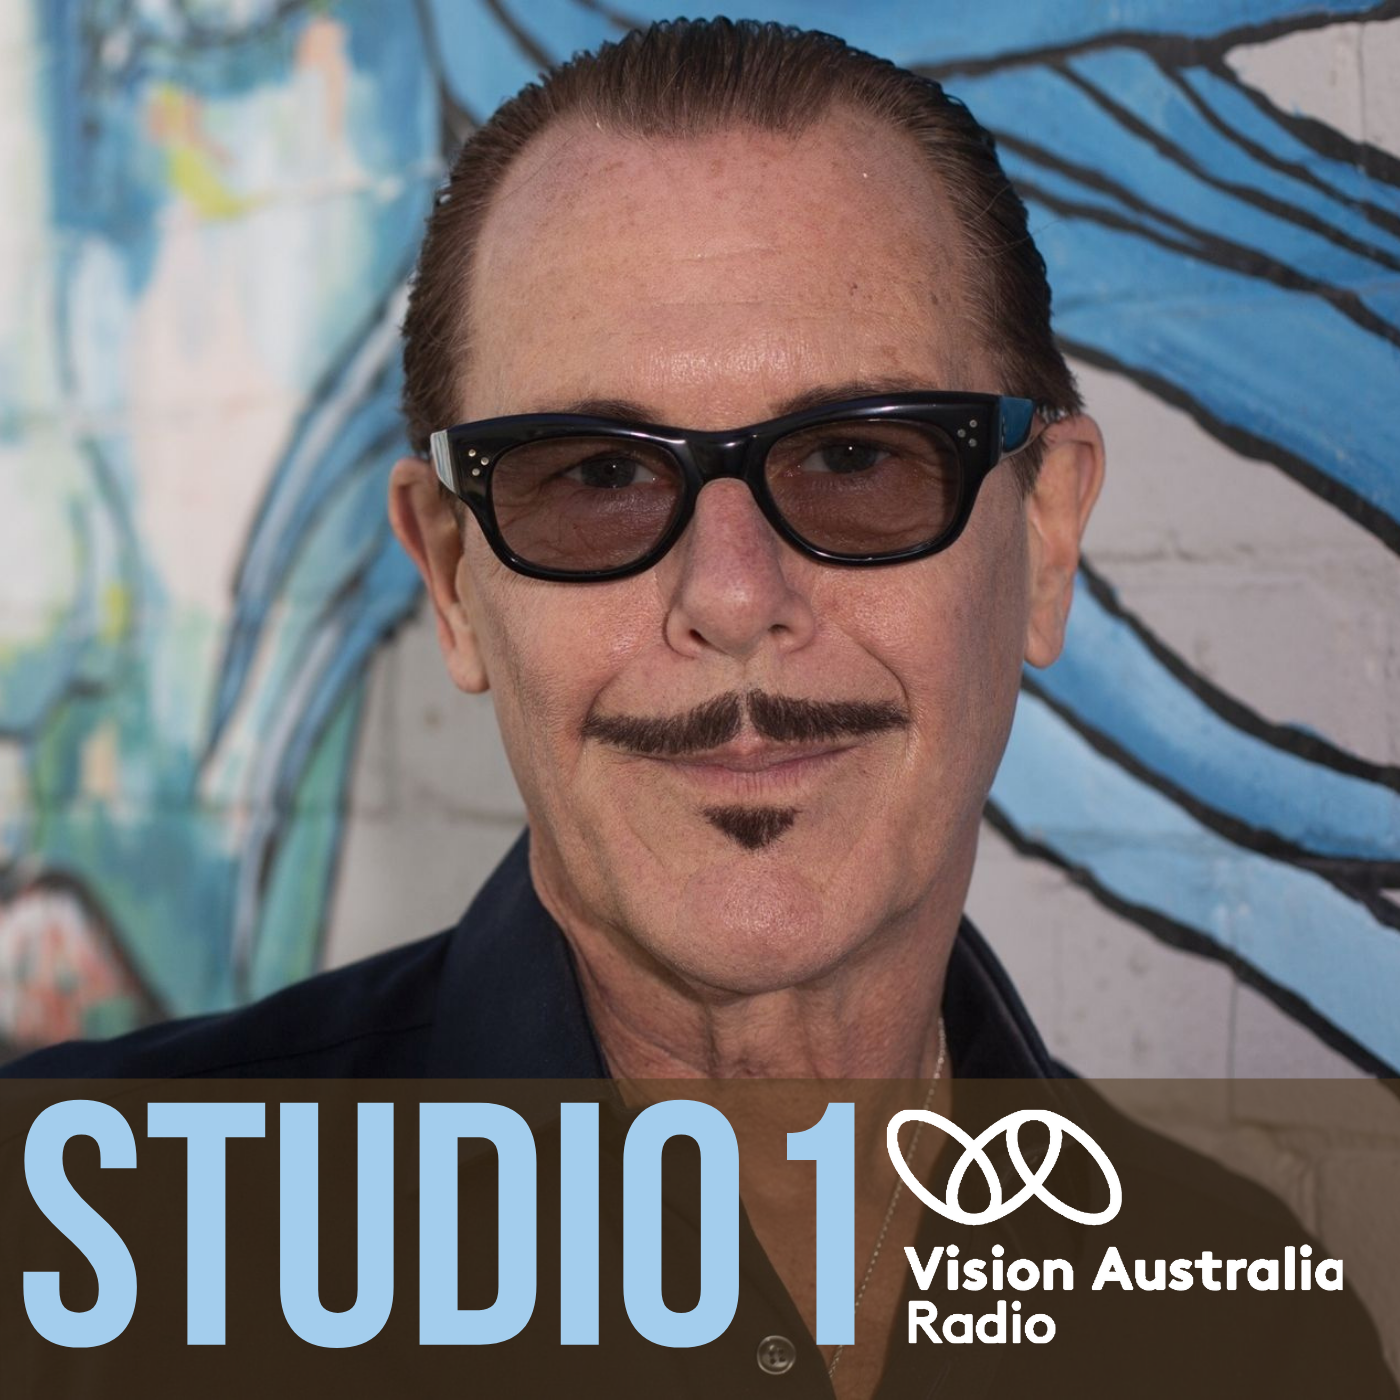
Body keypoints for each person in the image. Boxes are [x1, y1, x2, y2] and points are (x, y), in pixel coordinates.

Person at [5, 19, 1394, 1399]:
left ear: (1043, 542)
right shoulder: (84, 1250)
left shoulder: (1246, 1337)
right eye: (597, 477)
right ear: (451, 577)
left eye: (855, 458)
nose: (733, 596)